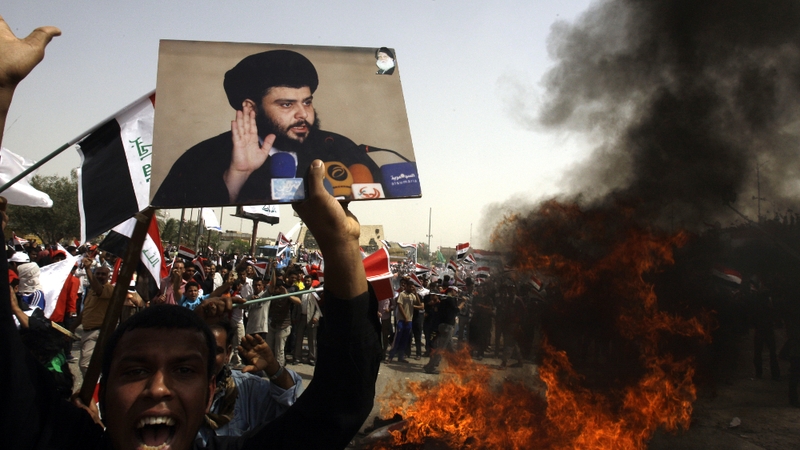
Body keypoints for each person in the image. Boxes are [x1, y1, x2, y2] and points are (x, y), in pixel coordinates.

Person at [1, 16, 381, 450]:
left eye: (185, 370)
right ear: (101, 391)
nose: (158, 390)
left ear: (208, 391)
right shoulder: (200, 158)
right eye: (135, 370)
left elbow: (340, 401)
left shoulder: (338, 149)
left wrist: (341, 244)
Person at [153, 49, 384, 207]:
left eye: (307, 102)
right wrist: (237, 176)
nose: (303, 114)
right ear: (251, 107)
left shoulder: (339, 148)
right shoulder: (203, 156)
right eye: (286, 104)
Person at [197, 320, 302, 444]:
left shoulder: (246, 387)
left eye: (216, 351)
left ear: (228, 353)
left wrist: (273, 368)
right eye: (201, 350)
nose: (208, 358)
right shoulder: (178, 392)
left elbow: (293, 409)